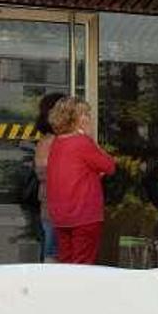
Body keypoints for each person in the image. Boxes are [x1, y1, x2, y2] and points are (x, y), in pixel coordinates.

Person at [46, 96, 116, 264]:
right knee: (82, 265)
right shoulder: (82, 142)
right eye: (85, 114)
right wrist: (91, 138)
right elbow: (109, 166)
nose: (89, 118)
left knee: (66, 263)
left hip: (61, 215)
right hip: (84, 214)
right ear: (74, 119)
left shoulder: (57, 143)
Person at [34, 92, 65, 262]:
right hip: (56, 207)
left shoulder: (46, 140)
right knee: (52, 254)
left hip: (50, 206)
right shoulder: (53, 141)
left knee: (51, 250)